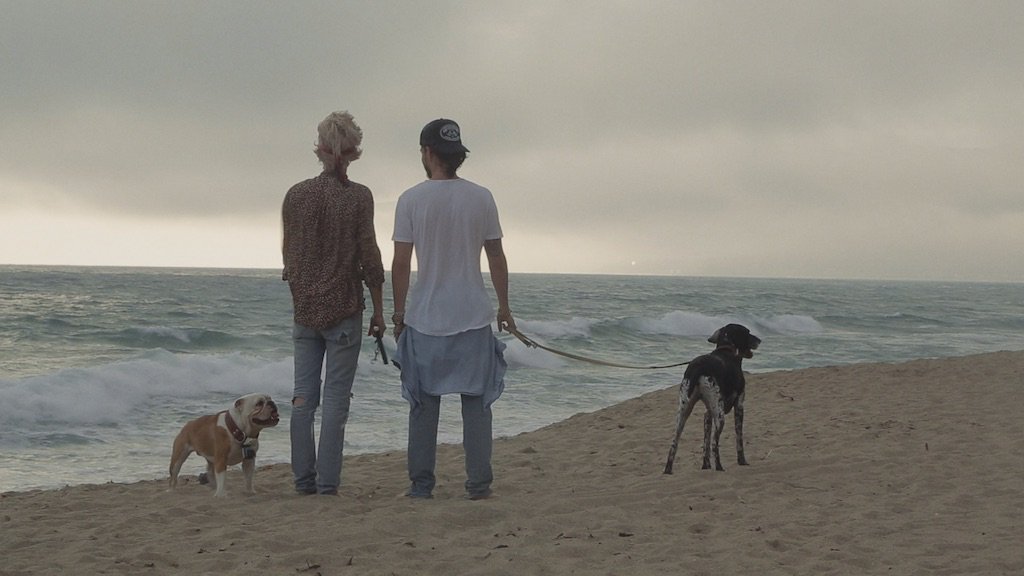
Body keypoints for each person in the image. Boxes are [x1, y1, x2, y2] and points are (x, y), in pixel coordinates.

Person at [391, 118, 516, 500]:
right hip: (472, 314)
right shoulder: (481, 197)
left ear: (428, 153)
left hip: (425, 317)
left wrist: (398, 313)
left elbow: (400, 262)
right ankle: (478, 484)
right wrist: (504, 307)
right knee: (476, 406)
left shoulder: (410, 199)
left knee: (422, 406)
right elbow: (496, 255)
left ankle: (421, 485)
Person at [281, 111, 386, 495]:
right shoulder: (358, 197)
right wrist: (379, 310)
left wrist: (301, 292)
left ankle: (302, 480)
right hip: (344, 310)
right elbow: (369, 257)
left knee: (303, 398)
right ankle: (327, 484)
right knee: (336, 400)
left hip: (305, 312)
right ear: (353, 151)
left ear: (320, 148)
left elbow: (289, 256)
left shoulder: (296, 195)